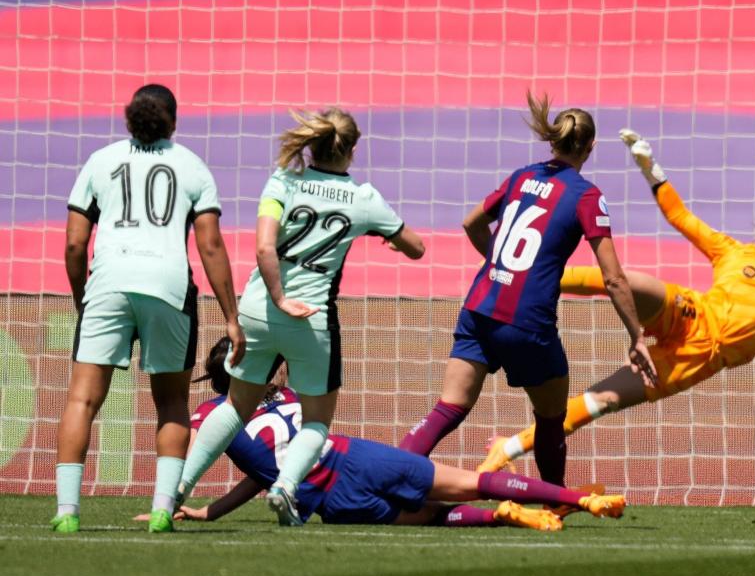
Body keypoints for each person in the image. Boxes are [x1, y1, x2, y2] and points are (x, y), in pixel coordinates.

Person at [478, 132, 755, 473]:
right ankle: (528, 277)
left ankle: (508, 448)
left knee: (598, 402)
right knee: (629, 282)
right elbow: (682, 218)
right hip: (692, 314)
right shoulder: (734, 252)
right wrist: (650, 168)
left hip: (698, 359)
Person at [177, 108, 426, 526]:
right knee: (316, 421)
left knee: (236, 407)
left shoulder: (284, 180)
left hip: (257, 311)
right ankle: (285, 488)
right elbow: (416, 247)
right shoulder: (364, 198)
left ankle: (176, 489)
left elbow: (263, 248)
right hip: (310, 319)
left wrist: (276, 295)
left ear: (311, 146)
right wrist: (390, 239)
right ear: (351, 150)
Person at [398, 92, 654, 487]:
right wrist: (636, 334)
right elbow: (615, 277)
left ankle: (385, 476)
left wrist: (499, 265)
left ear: (552, 141)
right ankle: (554, 498)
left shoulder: (521, 177)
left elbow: (471, 224)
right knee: (552, 416)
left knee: (449, 407)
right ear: (591, 147)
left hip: (479, 307)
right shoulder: (587, 196)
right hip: (526, 322)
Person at [163, 338, 625, 531]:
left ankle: (505, 516)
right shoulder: (285, 395)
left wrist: (191, 506)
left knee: (430, 518)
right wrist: (211, 511)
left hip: (329, 500)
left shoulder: (215, 415)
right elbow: (265, 474)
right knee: (471, 481)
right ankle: (577, 498)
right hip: (354, 456)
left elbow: (261, 472)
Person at [54, 84, 245, 533]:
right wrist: (232, 317)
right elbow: (211, 245)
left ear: (129, 119)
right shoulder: (192, 167)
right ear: (173, 122)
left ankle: (66, 512)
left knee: (82, 399)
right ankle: (162, 509)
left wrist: (82, 296)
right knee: (172, 400)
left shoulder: (100, 162)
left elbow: (75, 243)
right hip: (168, 286)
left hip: (108, 284)